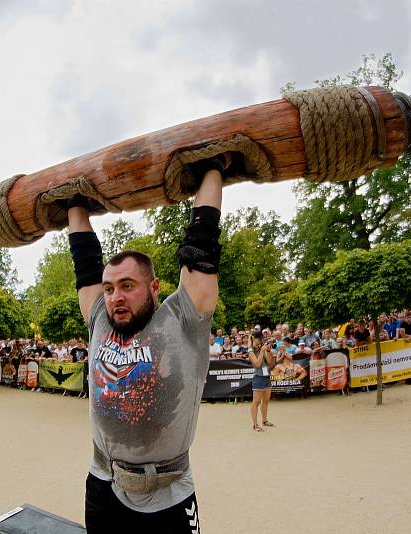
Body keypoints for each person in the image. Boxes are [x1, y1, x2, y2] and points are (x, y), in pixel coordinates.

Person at [69, 166, 223, 531]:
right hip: (103, 485)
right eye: (109, 289)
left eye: (127, 285)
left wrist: (214, 168)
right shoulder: (101, 322)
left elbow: (201, 246)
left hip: (167, 496)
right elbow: (85, 263)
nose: (115, 297)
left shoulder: (183, 318)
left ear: (154, 286)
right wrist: (74, 201)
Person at [247, 334, 274, 432]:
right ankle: (255, 424)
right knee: (256, 402)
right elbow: (257, 364)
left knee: (266, 401)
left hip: (266, 377)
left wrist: (268, 351)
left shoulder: (261, 348)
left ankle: (264, 420)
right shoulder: (251, 351)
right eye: (260, 339)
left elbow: (270, 362)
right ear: (254, 339)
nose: (261, 340)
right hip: (258, 378)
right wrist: (262, 351)